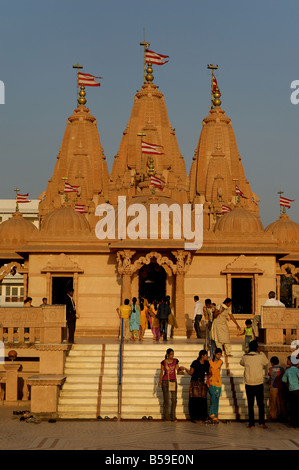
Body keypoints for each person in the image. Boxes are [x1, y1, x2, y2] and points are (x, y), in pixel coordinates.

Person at [240, 339, 268, 428]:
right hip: (258, 383)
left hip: (249, 383)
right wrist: (261, 352)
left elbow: (241, 363)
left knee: (250, 404)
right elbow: (266, 362)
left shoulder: (245, 357)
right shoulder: (260, 357)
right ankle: (261, 422)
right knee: (260, 404)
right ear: (257, 348)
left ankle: (251, 424)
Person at [182, 349, 210, 423]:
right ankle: (195, 417)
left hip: (202, 383)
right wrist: (185, 369)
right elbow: (191, 372)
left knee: (202, 400)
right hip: (195, 383)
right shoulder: (195, 363)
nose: (207, 356)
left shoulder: (207, 363)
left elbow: (209, 372)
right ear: (202, 356)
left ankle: (202, 417)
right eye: (206, 355)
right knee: (195, 400)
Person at [158, 348, 180, 422]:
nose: (172, 355)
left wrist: (181, 370)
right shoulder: (163, 362)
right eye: (171, 354)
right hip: (165, 381)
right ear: (167, 355)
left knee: (174, 399)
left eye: (173, 354)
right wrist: (160, 381)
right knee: (166, 400)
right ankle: (166, 417)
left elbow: (177, 369)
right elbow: (161, 372)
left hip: (173, 381)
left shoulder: (175, 361)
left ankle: (173, 416)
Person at [282, 357, 299, 428]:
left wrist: (288, 384)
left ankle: (292, 423)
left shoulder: (288, 370)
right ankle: (297, 423)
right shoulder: (297, 370)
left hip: (291, 390)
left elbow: (283, 379)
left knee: (292, 406)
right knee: (297, 407)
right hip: (297, 390)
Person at [268, 356, 286, 422]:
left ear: (272, 363)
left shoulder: (270, 369)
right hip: (280, 387)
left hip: (273, 387)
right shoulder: (281, 369)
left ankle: (273, 416)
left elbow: (270, 376)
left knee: (273, 402)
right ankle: (281, 415)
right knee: (280, 402)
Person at [208, 348, 223, 423]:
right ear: (214, 354)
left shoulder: (221, 362)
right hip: (211, 382)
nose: (219, 356)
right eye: (218, 354)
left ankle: (215, 416)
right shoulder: (210, 362)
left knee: (217, 398)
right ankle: (211, 414)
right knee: (213, 397)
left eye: (220, 354)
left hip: (218, 383)